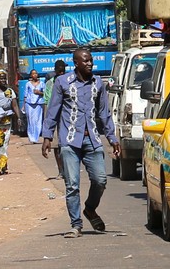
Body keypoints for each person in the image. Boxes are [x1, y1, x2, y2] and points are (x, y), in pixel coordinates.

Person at [42, 49, 121, 238]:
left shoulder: (98, 83)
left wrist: (112, 138)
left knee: (100, 180)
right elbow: (53, 110)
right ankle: (75, 225)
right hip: (69, 141)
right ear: (76, 63)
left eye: (91, 60)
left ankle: (90, 209)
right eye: (85, 61)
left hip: (92, 139)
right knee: (72, 185)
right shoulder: (63, 83)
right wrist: (47, 136)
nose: (90, 63)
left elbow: (104, 113)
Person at [43, 60, 67, 179]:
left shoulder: (71, 81)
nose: (62, 72)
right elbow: (47, 102)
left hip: (68, 117)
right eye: (60, 70)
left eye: (64, 70)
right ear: (56, 70)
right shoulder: (50, 84)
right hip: (55, 117)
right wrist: (47, 122)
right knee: (57, 146)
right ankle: (61, 170)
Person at [23, 69, 45, 144]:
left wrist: (39, 92)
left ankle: (36, 137)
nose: (34, 75)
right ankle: (31, 137)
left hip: (39, 104)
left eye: (36, 73)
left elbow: (45, 93)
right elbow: (25, 95)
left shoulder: (42, 83)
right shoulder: (28, 84)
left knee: (38, 121)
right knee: (30, 121)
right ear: (31, 75)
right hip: (29, 104)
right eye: (33, 74)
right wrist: (23, 106)